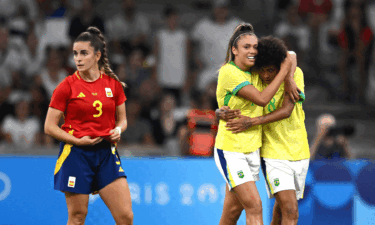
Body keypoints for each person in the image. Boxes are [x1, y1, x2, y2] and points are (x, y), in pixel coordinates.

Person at [44, 27, 133, 224]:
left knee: (125, 216)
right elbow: (49, 127)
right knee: (77, 217)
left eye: (84, 53)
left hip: (106, 155)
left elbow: (123, 120)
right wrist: (77, 140)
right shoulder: (66, 86)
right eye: (75, 53)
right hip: (76, 154)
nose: (78, 58)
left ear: (97, 55)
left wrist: (118, 130)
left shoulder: (113, 85)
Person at [217, 36, 309, 225]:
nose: (266, 75)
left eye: (270, 70)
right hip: (267, 152)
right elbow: (252, 99)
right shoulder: (251, 77)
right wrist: (218, 112)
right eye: (262, 70)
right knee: (273, 208)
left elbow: (287, 109)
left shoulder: (294, 74)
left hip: (295, 150)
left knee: (234, 211)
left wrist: (288, 76)